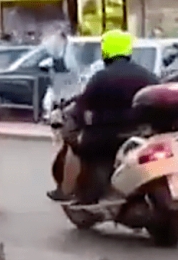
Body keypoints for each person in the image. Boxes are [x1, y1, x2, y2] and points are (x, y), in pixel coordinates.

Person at [47, 29, 159, 205]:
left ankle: (68, 190)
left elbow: (81, 107)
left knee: (76, 147)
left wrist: (78, 121)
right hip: (141, 134)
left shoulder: (101, 77)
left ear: (105, 51)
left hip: (107, 136)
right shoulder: (147, 76)